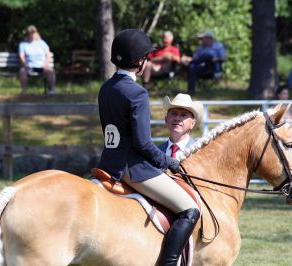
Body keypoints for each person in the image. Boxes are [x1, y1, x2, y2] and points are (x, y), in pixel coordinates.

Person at [96, 29, 200, 266]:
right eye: (146, 57)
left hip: (108, 163)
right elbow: (142, 144)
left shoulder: (106, 88)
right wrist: (167, 161)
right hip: (133, 169)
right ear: (140, 61)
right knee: (190, 209)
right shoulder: (137, 93)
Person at [158, 93, 203, 159]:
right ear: (166, 120)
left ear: (192, 123)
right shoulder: (156, 152)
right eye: (173, 114)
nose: (177, 118)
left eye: (183, 115)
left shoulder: (199, 152)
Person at [183, 30, 226, 95]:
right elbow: (196, 58)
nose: (202, 40)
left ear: (209, 38)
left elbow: (223, 58)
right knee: (192, 66)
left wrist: (216, 59)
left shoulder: (219, 46)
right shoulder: (201, 48)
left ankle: (190, 61)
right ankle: (191, 91)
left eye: (203, 38)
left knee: (208, 55)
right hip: (203, 68)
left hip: (214, 68)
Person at [18, 25, 56, 95]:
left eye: (33, 33)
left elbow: (48, 54)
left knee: (50, 71)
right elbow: (21, 56)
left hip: (42, 66)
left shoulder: (42, 43)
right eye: (30, 33)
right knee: (22, 71)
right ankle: (24, 91)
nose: (32, 35)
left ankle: (52, 90)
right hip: (29, 66)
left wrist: (46, 64)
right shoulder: (23, 44)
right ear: (27, 34)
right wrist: (25, 64)